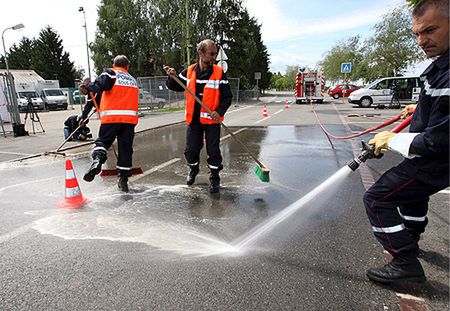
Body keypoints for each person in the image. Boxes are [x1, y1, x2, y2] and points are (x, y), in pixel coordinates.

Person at [363, 0, 449, 284]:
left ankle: (404, 261)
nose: (422, 40)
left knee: (377, 198)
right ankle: (409, 238)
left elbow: (439, 140)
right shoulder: (441, 66)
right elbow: (441, 107)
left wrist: (392, 140)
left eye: (430, 30)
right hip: (433, 158)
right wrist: (421, 108)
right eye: (417, 34)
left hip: (437, 160)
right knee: (412, 194)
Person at [163, 39, 233, 193]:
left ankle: (214, 177)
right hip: (194, 121)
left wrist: (219, 112)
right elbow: (174, 86)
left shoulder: (219, 73)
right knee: (191, 150)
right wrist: (172, 76)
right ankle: (193, 169)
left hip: (211, 120)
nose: (214, 57)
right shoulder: (189, 71)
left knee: (213, 150)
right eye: (211, 54)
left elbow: (228, 97)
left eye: (215, 54)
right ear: (201, 53)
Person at [79, 55, 139, 192]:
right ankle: (123, 180)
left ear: (114, 64)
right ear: (127, 66)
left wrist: (88, 87)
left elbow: (99, 86)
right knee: (125, 149)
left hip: (112, 119)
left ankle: (98, 160)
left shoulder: (111, 73)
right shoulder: (132, 79)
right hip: (129, 121)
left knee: (102, 142)